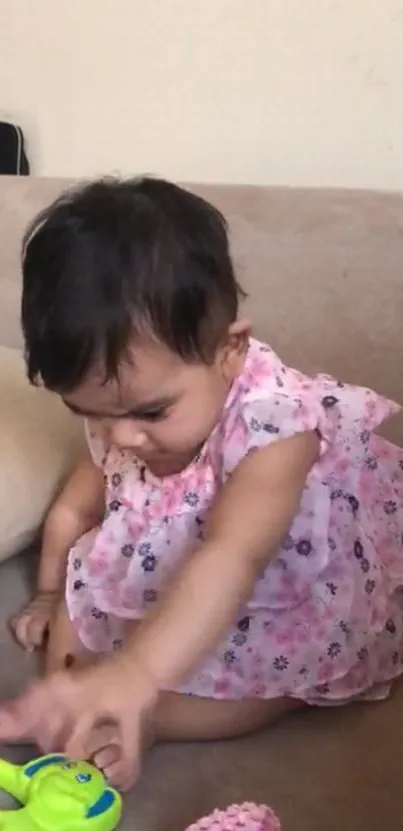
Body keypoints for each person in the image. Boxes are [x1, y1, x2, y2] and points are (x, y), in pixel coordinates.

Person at [2, 177, 403, 791]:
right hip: (167, 546)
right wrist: (52, 592)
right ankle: (92, 704)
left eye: (150, 412)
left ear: (229, 349)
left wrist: (138, 674)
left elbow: (231, 558)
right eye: (87, 413)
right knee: (77, 655)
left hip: (266, 561)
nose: (120, 440)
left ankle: (157, 718)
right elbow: (74, 509)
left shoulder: (277, 426)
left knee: (288, 673)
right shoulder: (121, 419)